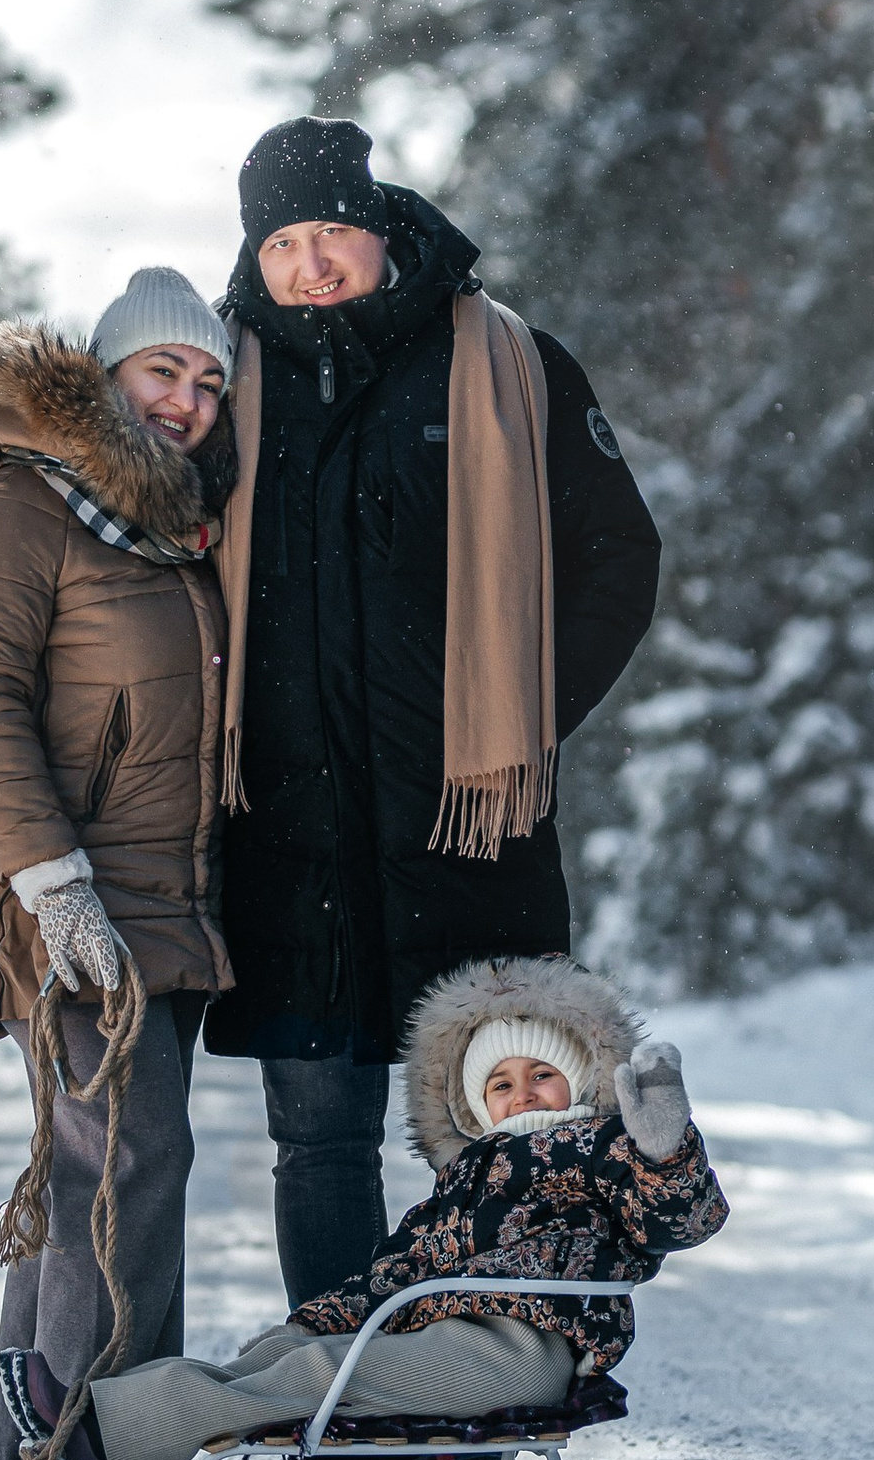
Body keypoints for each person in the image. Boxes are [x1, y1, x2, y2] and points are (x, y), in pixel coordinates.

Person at [211, 118, 662, 1331]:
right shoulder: (216, 380)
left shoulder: (508, 360)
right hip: (286, 835)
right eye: (284, 242)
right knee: (316, 1141)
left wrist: (519, 719)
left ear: (381, 229)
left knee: (496, 1136)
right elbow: (93, 505)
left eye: (333, 234)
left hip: (467, 830)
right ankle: (346, 1435)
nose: (312, 265)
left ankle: (484, 1433)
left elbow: (616, 559)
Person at [0, 952, 727, 1460]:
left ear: (579, 1083)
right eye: (500, 1082)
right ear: (476, 1101)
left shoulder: (599, 1148)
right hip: (455, 1333)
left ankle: (95, 1446)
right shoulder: (469, 1175)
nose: (523, 1093)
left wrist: (665, 1147)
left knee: (321, 1374)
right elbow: (400, 1272)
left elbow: (680, 1219)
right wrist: (319, 1316)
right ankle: (96, 1425)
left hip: (530, 1348)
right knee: (281, 1352)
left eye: (543, 1074)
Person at [0, 267, 237, 1460]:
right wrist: (55, 890)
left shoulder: (163, 530)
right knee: (127, 1168)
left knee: (97, 1180)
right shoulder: (19, 513)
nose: (187, 399)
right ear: (103, 377)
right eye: (163, 370)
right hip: (65, 906)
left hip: (159, 903)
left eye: (209, 382)